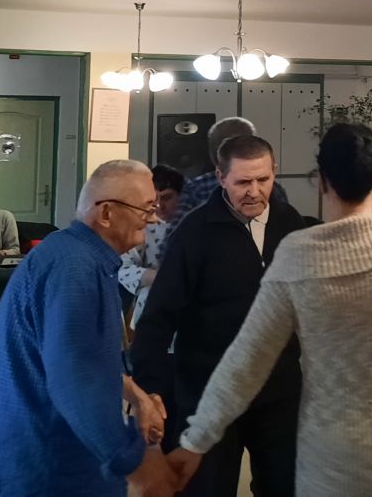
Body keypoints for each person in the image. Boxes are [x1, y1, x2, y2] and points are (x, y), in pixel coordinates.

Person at [167, 124, 372, 497]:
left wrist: (197, 439)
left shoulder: (297, 256)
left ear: (322, 181)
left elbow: (246, 362)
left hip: (332, 459)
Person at [0, 160, 175, 497]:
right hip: (44, 471)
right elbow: (74, 375)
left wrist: (134, 394)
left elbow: (81, 355)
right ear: (106, 213)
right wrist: (133, 462)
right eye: (146, 208)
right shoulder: (74, 268)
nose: (152, 219)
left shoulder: (77, 254)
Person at [133, 135, 306, 495]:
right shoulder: (194, 232)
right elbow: (159, 317)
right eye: (243, 182)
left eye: (263, 179)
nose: (254, 192)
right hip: (207, 390)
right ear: (220, 177)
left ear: (274, 172)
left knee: (284, 487)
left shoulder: (291, 225)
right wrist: (150, 389)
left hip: (278, 390)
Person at [165, 117, 290, 247]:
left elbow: (172, 242)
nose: (253, 192)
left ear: (212, 155)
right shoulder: (275, 189)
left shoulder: (195, 189)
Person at [119, 165, 186, 324]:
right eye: (154, 200)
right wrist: (158, 276)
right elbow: (122, 268)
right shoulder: (140, 226)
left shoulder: (196, 223)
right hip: (151, 310)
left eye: (167, 198)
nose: (160, 206)